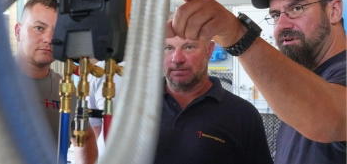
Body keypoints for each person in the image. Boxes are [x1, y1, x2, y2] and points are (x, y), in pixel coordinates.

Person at [167, 0, 346, 163]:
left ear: (334, 11)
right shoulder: (303, 86)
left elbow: (329, 120)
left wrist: (238, 35)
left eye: (297, 9)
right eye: (276, 15)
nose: (282, 25)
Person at [76, 32, 273, 163]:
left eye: (189, 47)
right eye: (168, 48)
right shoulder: (134, 107)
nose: (177, 59)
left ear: (209, 50)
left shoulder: (242, 115)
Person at [14, 0, 97, 162]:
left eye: (57, 31)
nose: (50, 39)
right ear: (18, 31)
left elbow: (86, 136)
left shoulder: (66, 90)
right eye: (39, 28)